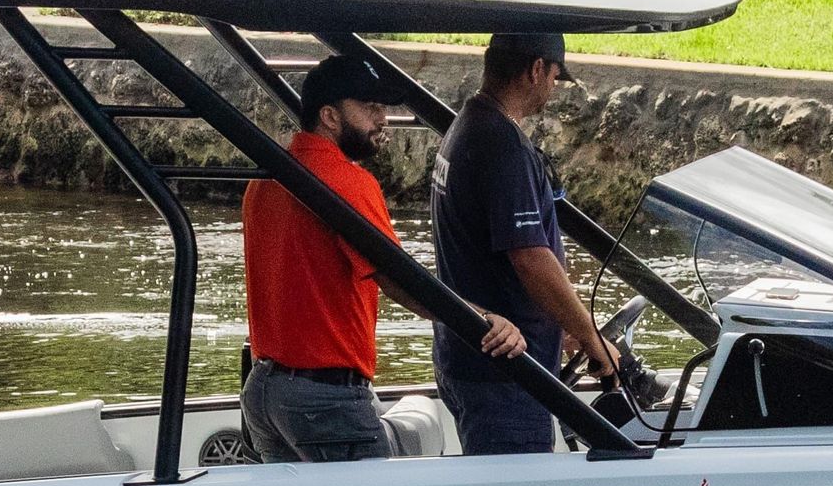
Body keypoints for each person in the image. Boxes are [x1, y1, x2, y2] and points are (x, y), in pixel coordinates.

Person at [238, 49, 520, 463]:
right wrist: (482, 320)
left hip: (265, 392)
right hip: (326, 400)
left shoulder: (264, 180)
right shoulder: (350, 183)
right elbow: (400, 280)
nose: (382, 119)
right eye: (369, 108)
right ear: (330, 117)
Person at [431, 30, 620, 455]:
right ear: (536, 70)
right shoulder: (503, 146)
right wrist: (590, 338)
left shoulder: (468, 126)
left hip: (466, 361)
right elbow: (531, 257)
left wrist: (564, 324)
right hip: (507, 373)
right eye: (555, 76)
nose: (553, 88)